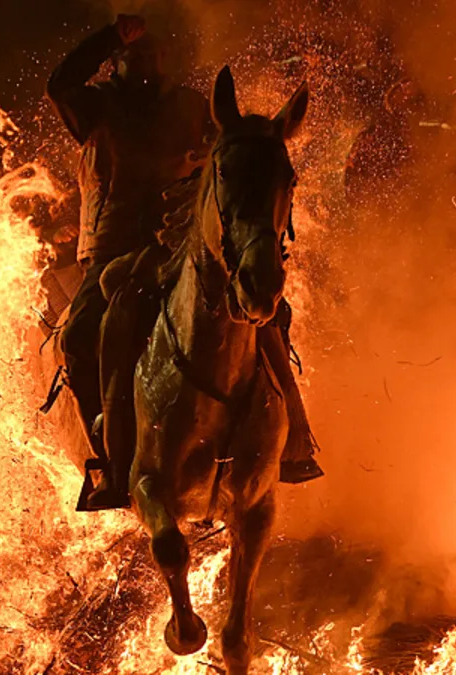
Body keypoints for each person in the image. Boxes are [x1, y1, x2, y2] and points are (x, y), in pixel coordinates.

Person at [48, 14, 322, 511]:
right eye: (134, 55)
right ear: (117, 61)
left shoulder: (192, 108)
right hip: (112, 249)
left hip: (181, 244)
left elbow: (228, 168)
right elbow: (59, 84)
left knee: (264, 316)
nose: (146, 63)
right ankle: (109, 461)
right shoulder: (95, 107)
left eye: (152, 54)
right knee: (80, 334)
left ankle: (294, 439)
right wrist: (110, 34)